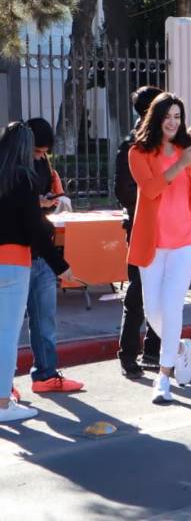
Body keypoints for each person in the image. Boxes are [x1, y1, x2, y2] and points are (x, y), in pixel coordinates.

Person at [127, 93, 191, 403]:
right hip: (152, 242)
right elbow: (150, 190)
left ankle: (163, 376)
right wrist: (182, 163)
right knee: (153, 312)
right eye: (168, 116)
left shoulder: (186, 150)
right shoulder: (138, 152)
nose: (174, 122)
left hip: (186, 241)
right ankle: (178, 347)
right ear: (156, 118)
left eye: (178, 116)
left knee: (173, 306)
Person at [0, 122, 74, 423]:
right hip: (14, 262)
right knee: (6, 337)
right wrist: (62, 266)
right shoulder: (24, 179)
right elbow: (35, 230)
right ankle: (4, 403)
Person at [21, 118, 84, 394]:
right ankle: (4, 386)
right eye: (37, 151)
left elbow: (36, 214)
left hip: (41, 255)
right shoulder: (10, 164)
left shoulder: (43, 164)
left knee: (45, 320)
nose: (42, 156)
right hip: (16, 256)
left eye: (45, 151)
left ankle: (45, 374)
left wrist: (47, 200)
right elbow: (15, 206)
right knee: (9, 326)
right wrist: (37, 203)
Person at [114, 86, 163, 378]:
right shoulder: (132, 145)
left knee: (165, 293)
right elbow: (124, 190)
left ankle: (154, 351)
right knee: (138, 292)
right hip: (141, 226)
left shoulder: (165, 143)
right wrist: (153, 200)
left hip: (166, 228)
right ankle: (128, 353)